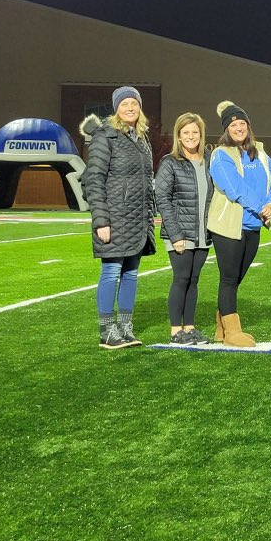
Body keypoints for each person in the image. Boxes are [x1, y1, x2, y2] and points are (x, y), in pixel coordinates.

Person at [79, 86, 156, 349]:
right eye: (124, 104)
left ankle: (125, 327)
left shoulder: (142, 138)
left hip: (137, 219)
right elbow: (93, 180)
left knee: (131, 274)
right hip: (114, 217)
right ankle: (107, 331)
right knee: (111, 271)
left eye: (134, 103)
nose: (130, 108)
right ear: (116, 108)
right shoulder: (105, 136)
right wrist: (101, 220)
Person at [207, 101, 271, 347]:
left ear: (248, 126)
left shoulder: (260, 152)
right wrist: (260, 207)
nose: (238, 128)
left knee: (237, 278)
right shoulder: (221, 154)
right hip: (229, 225)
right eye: (233, 124)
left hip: (254, 226)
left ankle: (221, 326)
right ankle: (233, 332)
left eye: (242, 123)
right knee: (228, 278)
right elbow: (233, 187)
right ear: (226, 129)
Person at [155, 112, 213, 345]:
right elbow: (162, 197)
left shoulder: (209, 159)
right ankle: (175, 331)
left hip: (202, 233)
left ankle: (189, 328)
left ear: (201, 134)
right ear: (179, 136)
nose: (191, 137)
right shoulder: (170, 162)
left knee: (194, 279)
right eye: (186, 132)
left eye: (195, 132)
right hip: (179, 233)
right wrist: (176, 234)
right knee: (181, 278)